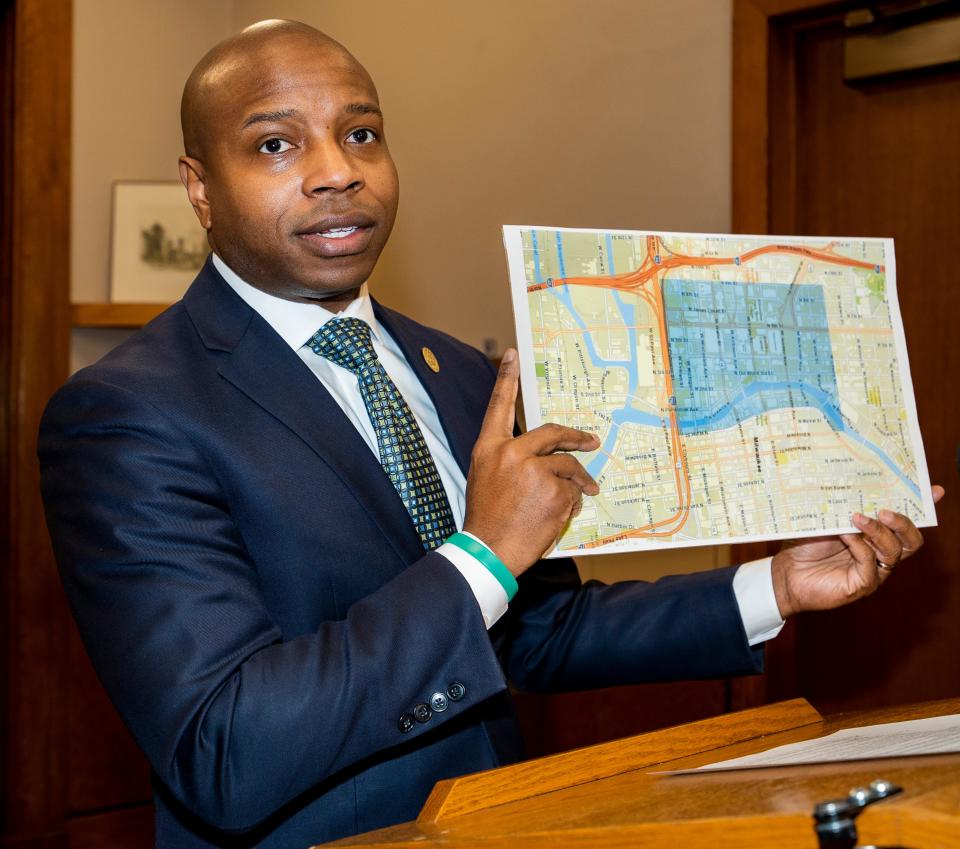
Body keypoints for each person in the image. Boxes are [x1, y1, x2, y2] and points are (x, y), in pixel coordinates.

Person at [38, 19, 943, 849]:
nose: (336, 169)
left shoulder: (461, 372)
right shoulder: (128, 413)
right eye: (276, 144)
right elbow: (223, 746)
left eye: (361, 133)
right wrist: (483, 551)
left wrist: (775, 585)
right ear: (199, 188)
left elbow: (535, 632)